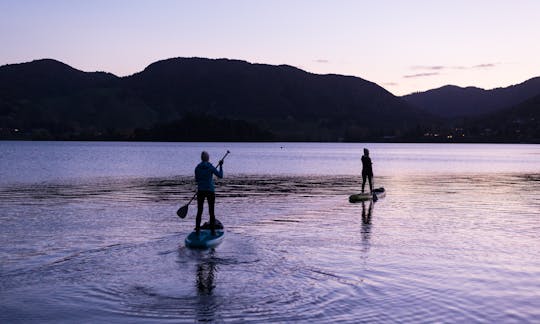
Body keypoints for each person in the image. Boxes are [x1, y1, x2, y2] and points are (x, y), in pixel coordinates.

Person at [195, 151, 223, 236]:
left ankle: (197, 230)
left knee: (199, 211)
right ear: (208, 158)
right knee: (211, 211)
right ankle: (213, 231)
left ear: (201, 158)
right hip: (210, 191)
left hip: (200, 191)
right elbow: (220, 175)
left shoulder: (197, 168)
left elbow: (197, 180)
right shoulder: (210, 167)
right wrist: (221, 166)